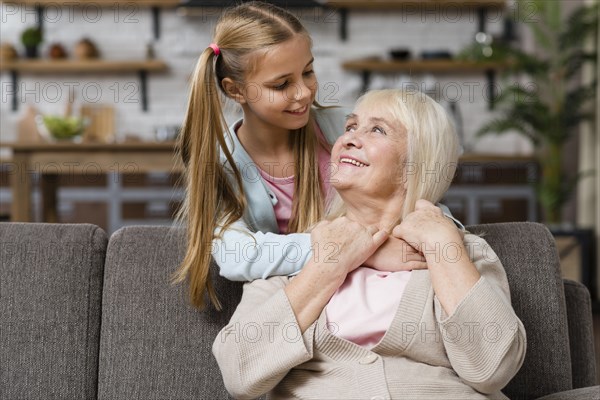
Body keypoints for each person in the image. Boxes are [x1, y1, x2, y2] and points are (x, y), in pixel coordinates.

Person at [212, 89, 526, 400]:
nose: (349, 138)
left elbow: (492, 368)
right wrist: (329, 265)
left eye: (377, 129)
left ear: (412, 166)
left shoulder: (461, 251)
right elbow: (239, 374)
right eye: (350, 127)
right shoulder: (296, 259)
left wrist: (443, 244)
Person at [172, 1, 461, 309]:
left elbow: (419, 196)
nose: (304, 93)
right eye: (282, 84)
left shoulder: (344, 130)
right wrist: (359, 250)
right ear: (236, 90)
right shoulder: (219, 163)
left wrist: (440, 233)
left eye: (308, 72)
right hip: (298, 306)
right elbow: (236, 256)